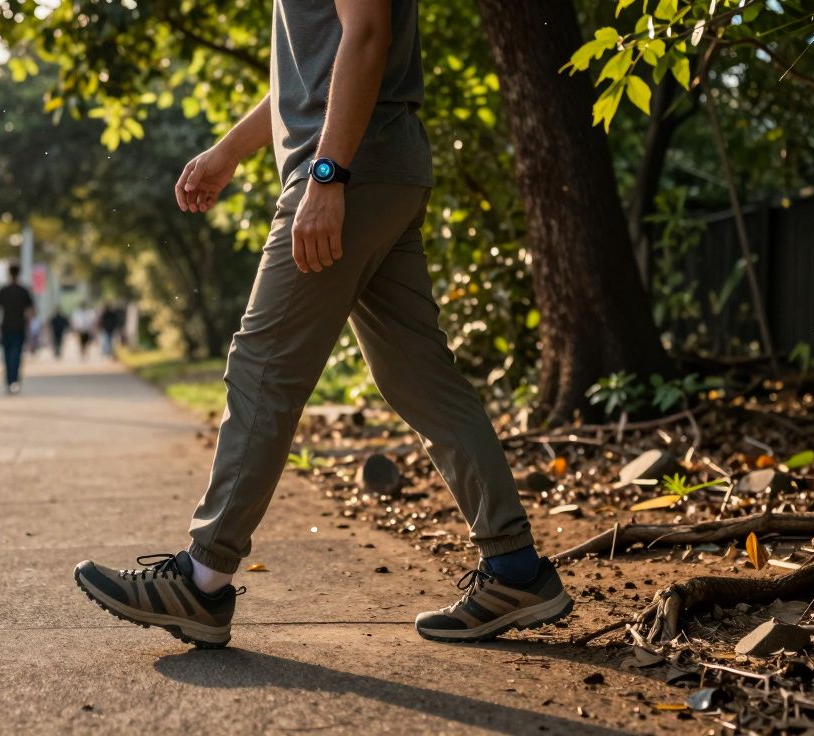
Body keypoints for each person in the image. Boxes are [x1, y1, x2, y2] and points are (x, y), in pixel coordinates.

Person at [74, 0, 572, 649]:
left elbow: (367, 34)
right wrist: (229, 151)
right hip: (378, 167)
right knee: (416, 376)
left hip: (348, 170)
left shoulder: (335, 169)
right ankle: (515, 571)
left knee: (264, 368)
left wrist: (327, 175)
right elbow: (309, 72)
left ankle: (201, 579)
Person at [0, 263, 35, 394]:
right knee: (16, 356)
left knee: (6, 356)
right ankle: (15, 381)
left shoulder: (3, 290)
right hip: (19, 328)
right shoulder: (24, 291)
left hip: (6, 328)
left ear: (8, 273)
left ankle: (9, 381)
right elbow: (31, 312)